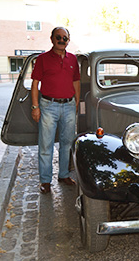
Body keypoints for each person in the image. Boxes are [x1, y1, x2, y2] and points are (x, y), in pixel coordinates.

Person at [30, 27, 81, 194]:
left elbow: (76, 83)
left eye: (65, 38)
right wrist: (35, 106)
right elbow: (35, 84)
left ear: (68, 40)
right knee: (46, 145)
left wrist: (76, 104)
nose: (62, 40)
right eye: (58, 37)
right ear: (52, 39)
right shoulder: (42, 59)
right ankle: (45, 181)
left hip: (68, 106)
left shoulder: (73, 59)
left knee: (67, 144)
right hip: (48, 106)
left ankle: (64, 175)